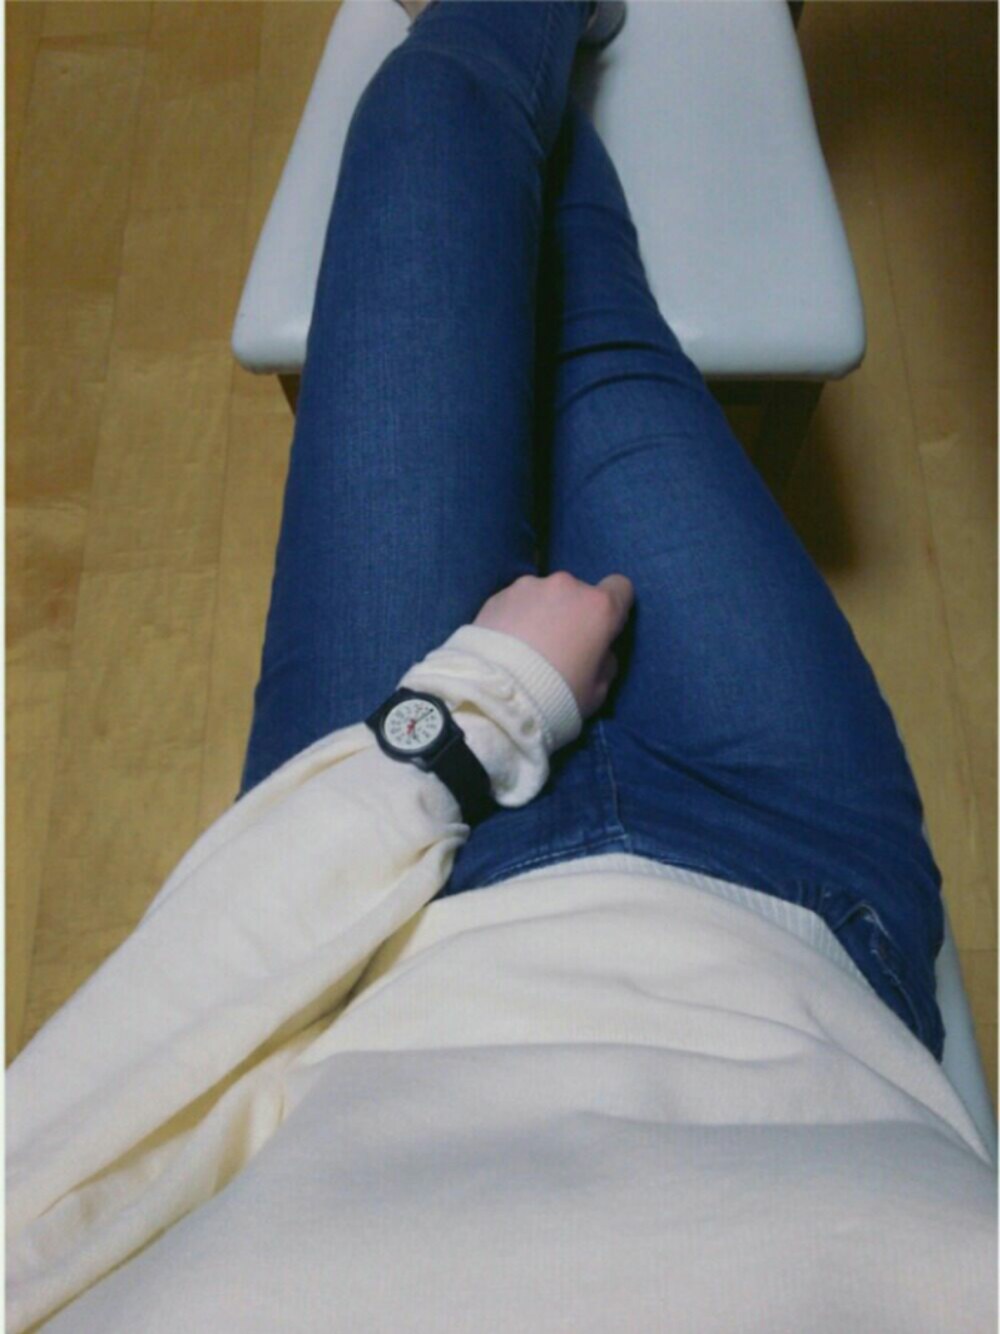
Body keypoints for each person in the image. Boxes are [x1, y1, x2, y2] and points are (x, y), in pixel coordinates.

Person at [7, 3, 995, 1330]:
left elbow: (56, 1149)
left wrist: (470, 712)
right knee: (596, 333)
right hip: (800, 901)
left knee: (432, 114)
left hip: (381, 918)